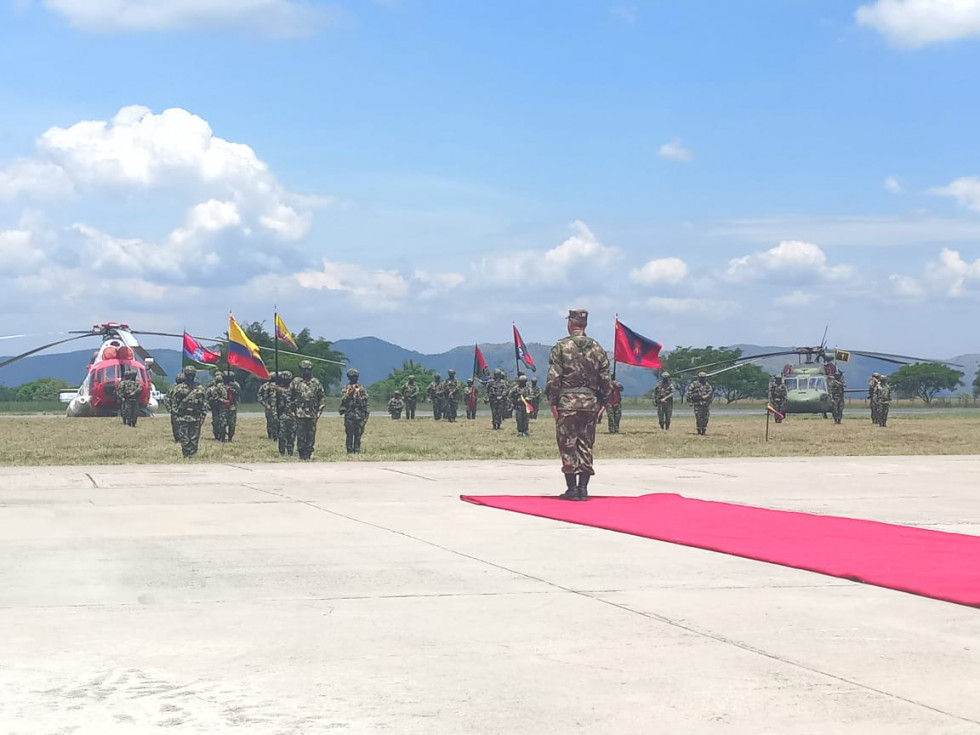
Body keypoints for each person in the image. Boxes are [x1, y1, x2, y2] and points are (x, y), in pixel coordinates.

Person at [545, 308, 613, 501]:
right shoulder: (598, 348)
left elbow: (554, 378)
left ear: (570, 323)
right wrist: (604, 402)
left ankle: (572, 489)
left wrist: (553, 402)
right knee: (586, 444)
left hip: (567, 403)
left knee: (567, 444)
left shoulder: (561, 347)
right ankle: (583, 488)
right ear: (585, 325)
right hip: (590, 403)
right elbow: (605, 379)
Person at [289, 359, 325, 461]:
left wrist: (319, 411)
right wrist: (291, 410)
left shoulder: (316, 383)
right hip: (299, 414)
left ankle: (308, 454)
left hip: (312, 414)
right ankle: (301, 454)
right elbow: (289, 396)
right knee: (300, 435)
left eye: (308, 369)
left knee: (310, 435)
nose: (306, 371)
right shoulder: (296, 382)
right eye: (304, 369)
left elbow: (321, 397)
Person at [170, 365, 207, 458]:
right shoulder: (180, 388)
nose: (190, 376)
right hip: (184, 416)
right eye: (189, 374)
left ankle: (192, 455)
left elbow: (204, 403)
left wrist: (203, 415)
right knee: (185, 438)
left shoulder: (199, 388)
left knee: (193, 439)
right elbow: (174, 403)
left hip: (195, 417)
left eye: (191, 374)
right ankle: (187, 455)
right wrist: (176, 416)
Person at [340, 367, 370, 453]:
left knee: (358, 434)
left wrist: (365, 415)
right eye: (352, 376)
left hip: (359, 415)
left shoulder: (362, 389)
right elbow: (343, 400)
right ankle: (349, 450)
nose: (354, 378)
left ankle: (357, 450)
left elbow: (366, 401)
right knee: (349, 434)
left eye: (355, 376)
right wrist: (350, 393)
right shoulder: (345, 389)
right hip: (350, 415)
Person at [686, 371, 713, 436]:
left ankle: (703, 431)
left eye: (703, 378)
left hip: (705, 404)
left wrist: (707, 396)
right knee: (698, 417)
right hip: (697, 404)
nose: (702, 379)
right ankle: (699, 431)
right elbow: (689, 393)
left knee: (705, 418)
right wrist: (691, 401)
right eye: (701, 378)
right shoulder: (694, 384)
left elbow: (710, 392)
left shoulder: (707, 385)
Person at [275, 370, 296, 456]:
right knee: (282, 435)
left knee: (291, 435)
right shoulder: (277, 389)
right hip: (282, 414)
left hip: (292, 414)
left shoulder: (294, 387)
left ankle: (290, 451)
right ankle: (282, 451)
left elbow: (290, 393)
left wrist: (280, 390)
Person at [221, 371, 242, 441]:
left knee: (232, 424)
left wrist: (231, 389)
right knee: (223, 423)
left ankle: (230, 437)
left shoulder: (235, 385)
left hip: (232, 406)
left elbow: (238, 393)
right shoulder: (220, 385)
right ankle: (222, 437)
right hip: (223, 406)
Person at [205, 373, 227, 441]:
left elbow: (206, 397)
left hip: (215, 407)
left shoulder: (211, 389)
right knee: (222, 421)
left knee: (216, 421)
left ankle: (217, 435)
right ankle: (221, 435)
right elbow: (226, 397)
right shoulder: (224, 388)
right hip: (221, 407)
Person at [258, 373, 278, 440]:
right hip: (269, 406)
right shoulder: (265, 386)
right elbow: (259, 396)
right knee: (270, 422)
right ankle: (270, 435)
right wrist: (265, 404)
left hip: (278, 406)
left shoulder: (279, 385)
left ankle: (277, 435)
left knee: (278, 421)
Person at [165, 373, 184, 442]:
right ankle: (178, 438)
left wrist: (169, 408)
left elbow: (166, 399)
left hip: (177, 410)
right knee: (176, 426)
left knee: (177, 426)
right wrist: (169, 408)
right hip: (177, 410)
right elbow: (167, 398)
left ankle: (180, 438)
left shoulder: (173, 388)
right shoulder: (173, 388)